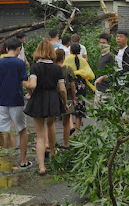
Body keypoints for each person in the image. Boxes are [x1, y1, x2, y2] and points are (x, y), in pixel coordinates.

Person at [0, 38, 31, 172]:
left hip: (1, 102)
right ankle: (23, 161)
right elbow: (25, 82)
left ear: (7, 48)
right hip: (16, 101)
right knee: (22, 130)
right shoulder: (20, 63)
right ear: (19, 49)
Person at [24, 39, 67, 176]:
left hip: (39, 99)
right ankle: (53, 154)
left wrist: (23, 83)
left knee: (40, 135)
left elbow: (33, 85)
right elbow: (62, 89)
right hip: (53, 98)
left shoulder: (35, 67)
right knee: (51, 125)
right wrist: (65, 103)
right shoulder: (57, 68)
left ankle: (42, 166)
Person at [63, 43, 95, 136]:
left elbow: (64, 70)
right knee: (79, 109)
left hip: (70, 84)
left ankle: (70, 126)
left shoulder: (68, 59)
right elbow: (90, 73)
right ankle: (77, 132)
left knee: (69, 105)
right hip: (81, 85)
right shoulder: (83, 60)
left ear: (70, 50)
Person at [55, 48, 75, 149]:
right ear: (63, 57)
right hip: (68, 97)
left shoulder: (53, 69)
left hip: (54, 97)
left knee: (51, 121)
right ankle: (66, 142)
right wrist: (74, 98)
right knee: (66, 121)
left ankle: (51, 143)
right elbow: (72, 85)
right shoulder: (68, 69)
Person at [94, 33, 115, 105]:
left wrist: (102, 78)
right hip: (98, 88)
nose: (102, 45)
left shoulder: (111, 56)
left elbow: (113, 73)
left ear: (109, 44)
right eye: (100, 43)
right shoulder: (101, 56)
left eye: (104, 43)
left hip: (107, 89)